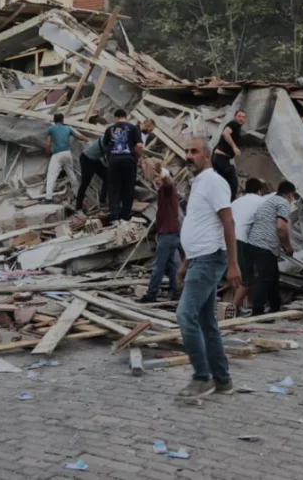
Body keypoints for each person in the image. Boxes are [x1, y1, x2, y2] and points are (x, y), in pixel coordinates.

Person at [175, 137, 240, 398]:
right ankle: (222, 380)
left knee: (184, 315)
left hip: (209, 259)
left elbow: (228, 223)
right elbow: (202, 227)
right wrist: (184, 264)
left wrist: (233, 264)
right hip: (199, 258)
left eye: (194, 152)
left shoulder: (213, 182)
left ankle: (202, 377)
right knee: (206, 322)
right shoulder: (199, 183)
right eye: (187, 151)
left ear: (207, 155)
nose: (189, 156)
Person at [244, 181, 296, 316]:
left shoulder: (269, 200)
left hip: (254, 242)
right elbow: (281, 227)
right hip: (264, 244)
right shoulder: (283, 203)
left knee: (273, 276)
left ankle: (275, 307)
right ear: (290, 195)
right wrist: (288, 247)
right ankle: (258, 312)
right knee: (265, 278)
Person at [229, 178, 268, 316]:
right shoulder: (261, 201)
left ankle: (243, 307)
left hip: (226, 239)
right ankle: (233, 309)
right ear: (259, 191)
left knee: (237, 275)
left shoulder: (236, 202)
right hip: (241, 240)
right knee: (247, 279)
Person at [142, 168, 182, 302]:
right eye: (156, 177)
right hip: (171, 234)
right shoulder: (163, 193)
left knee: (158, 266)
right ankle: (176, 293)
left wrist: (163, 173)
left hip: (168, 234)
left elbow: (169, 183)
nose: (156, 179)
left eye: (159, 177)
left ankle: (151, 294)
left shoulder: (169, 190)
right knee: (171, 266)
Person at [101, 109, 144, 222]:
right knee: (128, 187)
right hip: (129, 160)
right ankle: (125, 215)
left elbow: (105, 145)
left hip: (114, 160)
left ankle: (115, 215)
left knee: (114, 187)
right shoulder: (133, 128)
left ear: (115, 117)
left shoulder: (110, 129)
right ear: (126, 117)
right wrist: (137, 157)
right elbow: (139, 146)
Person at [45, 114, 88, 202]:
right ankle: (77, 194)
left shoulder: (51, 129)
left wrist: (48, 153)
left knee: (51, 175)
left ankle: (48, 198)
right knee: (71, 173)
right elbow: (79, 136)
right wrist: (87, 139)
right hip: (67, 153)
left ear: (54, 120)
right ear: (62, 120)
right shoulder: (68, 128)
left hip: (57, 154)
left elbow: (48, 144)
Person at [75, 124, 109, 215]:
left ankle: (102, 202)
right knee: (85, 183)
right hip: (87, 159)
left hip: (95, 159)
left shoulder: (110, 139)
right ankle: (78, 209)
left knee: (108, 177)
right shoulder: (107, 140)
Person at [212, 110, 246, 200]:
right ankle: (230, 205)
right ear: (235, 117)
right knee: (233, 184)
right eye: (239, 116)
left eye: (243, 117)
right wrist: (234, 147)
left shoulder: (237, 128)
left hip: (219, 158)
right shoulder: (233, 124)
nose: (241, 119)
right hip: (221, 158)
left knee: (222, 183)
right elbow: (225, 133)